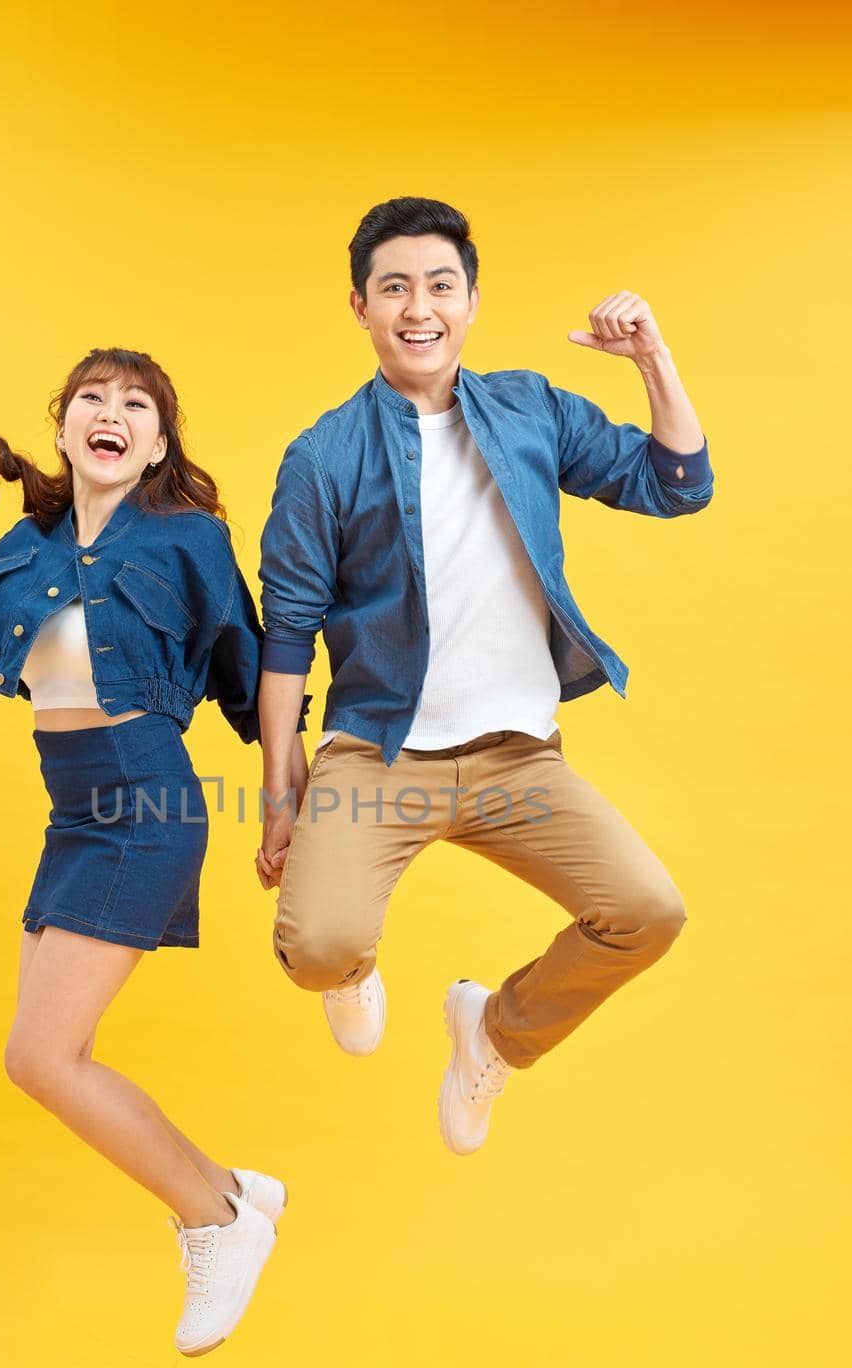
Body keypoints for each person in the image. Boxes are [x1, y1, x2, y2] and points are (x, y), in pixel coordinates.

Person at [255, 197, 714, 1156]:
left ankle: (493, 1034)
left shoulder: (532, 409)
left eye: (439, 285)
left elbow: (679, 486)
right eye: (394, 289)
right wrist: (278, 788)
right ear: (360, 306)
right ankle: (349, 968)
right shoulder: (323, 457)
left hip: (520, 764)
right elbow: (288, 635)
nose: (418, 307)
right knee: (316, 948)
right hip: (378, 758)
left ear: (470, 301)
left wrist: (651, 361)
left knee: (646, 913)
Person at [0, 346, 307, 1355]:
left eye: (135, 406)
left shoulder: (189, 540)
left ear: (157, 443)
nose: (111, 414)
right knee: (37, 1062)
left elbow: (256, 674)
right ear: (65, 427)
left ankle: (216, 1221)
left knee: (41, 1053)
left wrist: (287, 799)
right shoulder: (22, 552)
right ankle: (236, 1192)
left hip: (144, 802)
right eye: (91, 400)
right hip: (71, 815)